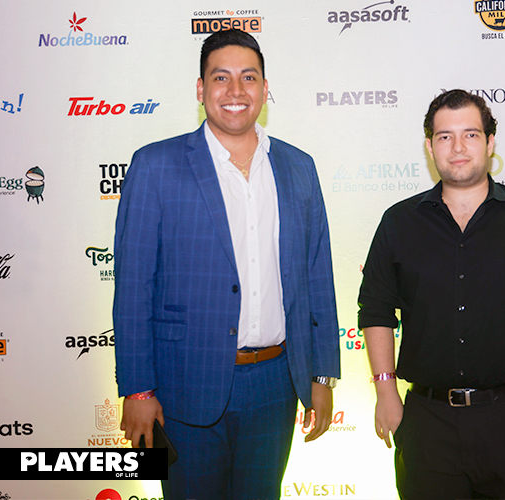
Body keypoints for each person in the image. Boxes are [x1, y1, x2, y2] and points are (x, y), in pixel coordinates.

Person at [113, 29, 340, 500]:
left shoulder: (299, 167)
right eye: (221, 78)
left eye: (248, 78)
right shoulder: (155, 166)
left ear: (264, 88)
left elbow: (317, 276)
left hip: (276, 384)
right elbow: (133, 287)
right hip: (184, 384)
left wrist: (321, 376)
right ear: (201, 89)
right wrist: (138, 390)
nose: (236, 90)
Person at [358, 89, 505, 500]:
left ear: (490, 142)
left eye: (470, 134)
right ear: (430, 147)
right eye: (445, 136)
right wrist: (385, 391)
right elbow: (376, 310)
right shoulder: (399, 222)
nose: (458, 147)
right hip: (427, 424)